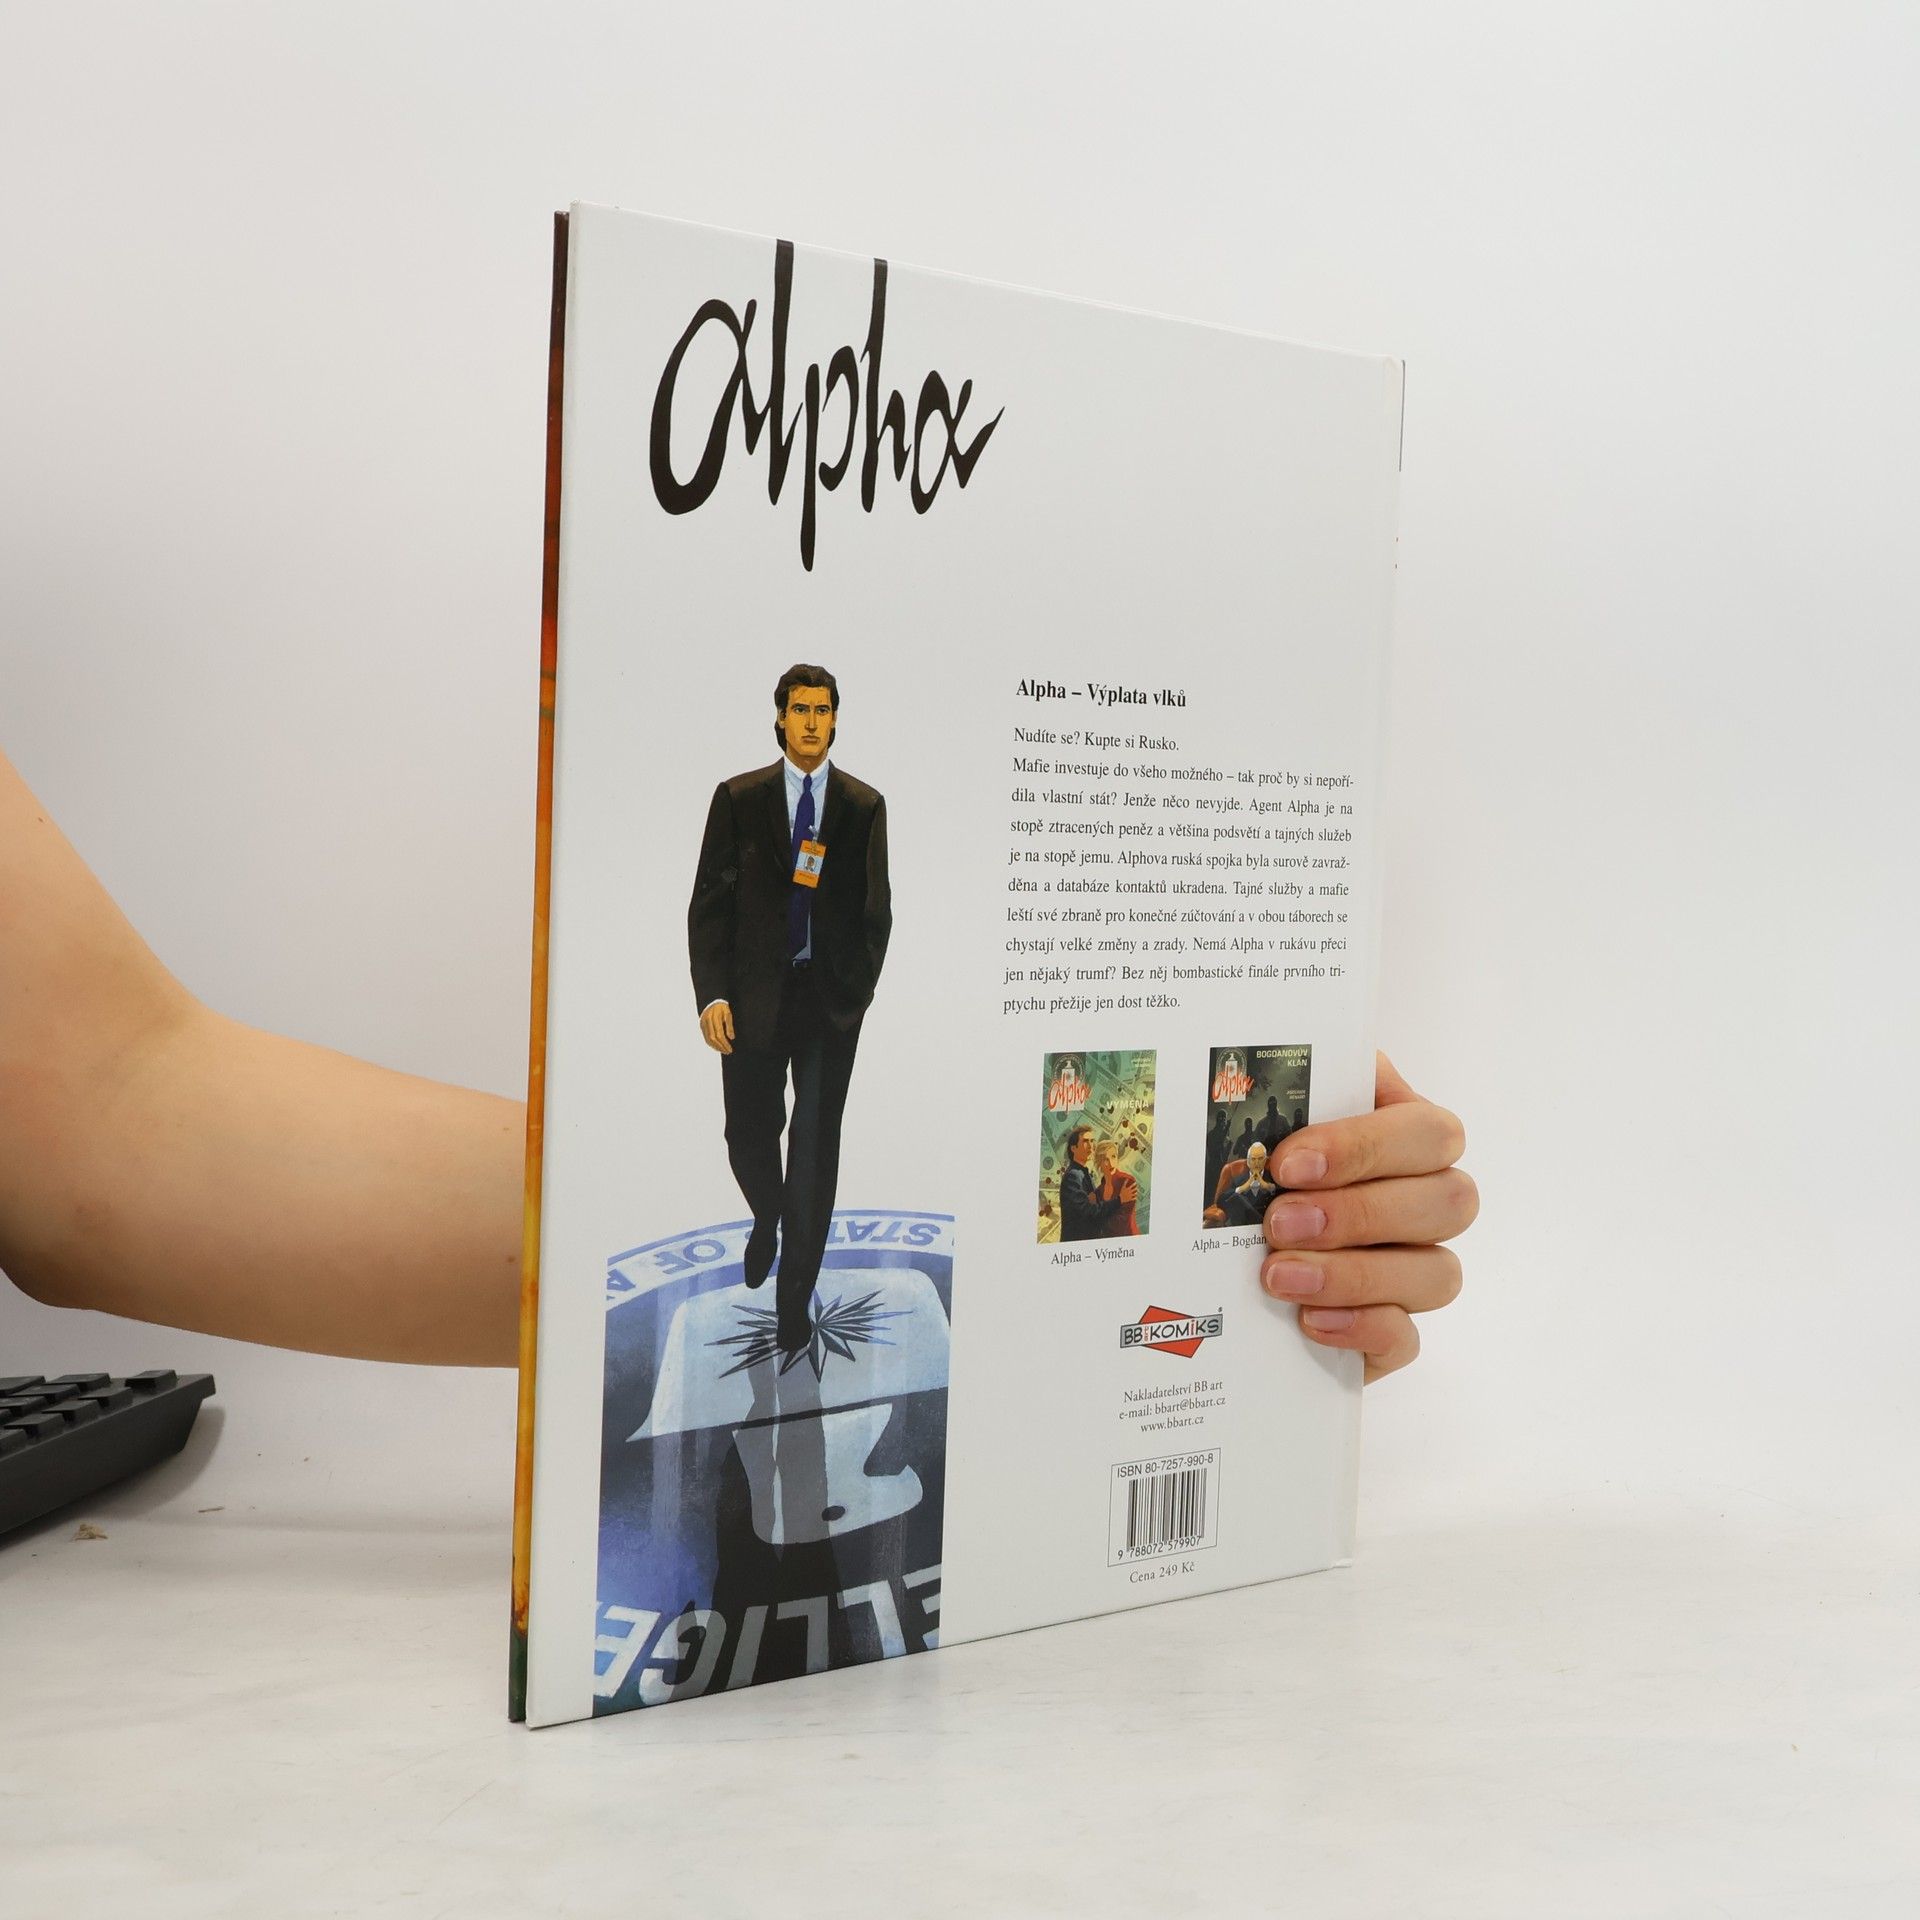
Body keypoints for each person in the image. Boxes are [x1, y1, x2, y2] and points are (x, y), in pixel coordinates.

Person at [0, 746, 1474, 1383]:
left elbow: (105, 1123)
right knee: (753, 1150)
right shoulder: (731, 803)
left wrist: (1106, 1262)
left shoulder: (867, 810)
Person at [686, 664, 890, 1351]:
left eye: (821, 710)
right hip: (750, 1003)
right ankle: (767, 1218)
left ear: (835, 720)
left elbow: (876, 914)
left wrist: (854, 997)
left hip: (828, 1009)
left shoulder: (863, 807)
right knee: (748, 1133)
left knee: (814, 1151)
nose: (810, 722)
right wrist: (713, 995)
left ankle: (794, 1296)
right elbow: (708, 906)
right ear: (780, 718)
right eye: (799, 709)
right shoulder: (738, 798)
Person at [1217, 1139, 1280, 1227]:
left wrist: (1268, 1186)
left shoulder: (1273, 1177)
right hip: (1242, 1226)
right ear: (1248, 1161)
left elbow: (1284, 1195)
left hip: (1265, 1224)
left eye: (1260, 1159)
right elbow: (1220, 1201)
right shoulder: (1238, 1180)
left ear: (1265, 1160)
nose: (1257, 1163)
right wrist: (1242, 1188)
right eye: (1253, 1159)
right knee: (1236, 1197)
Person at [1092, 1140, 1140, 1237]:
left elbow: (1122, 1223)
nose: (1111, 1163)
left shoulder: (1127, 1181)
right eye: (1105, 1159)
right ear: (1099, 1163)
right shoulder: (1098, 1192)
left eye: (1113, 1157)